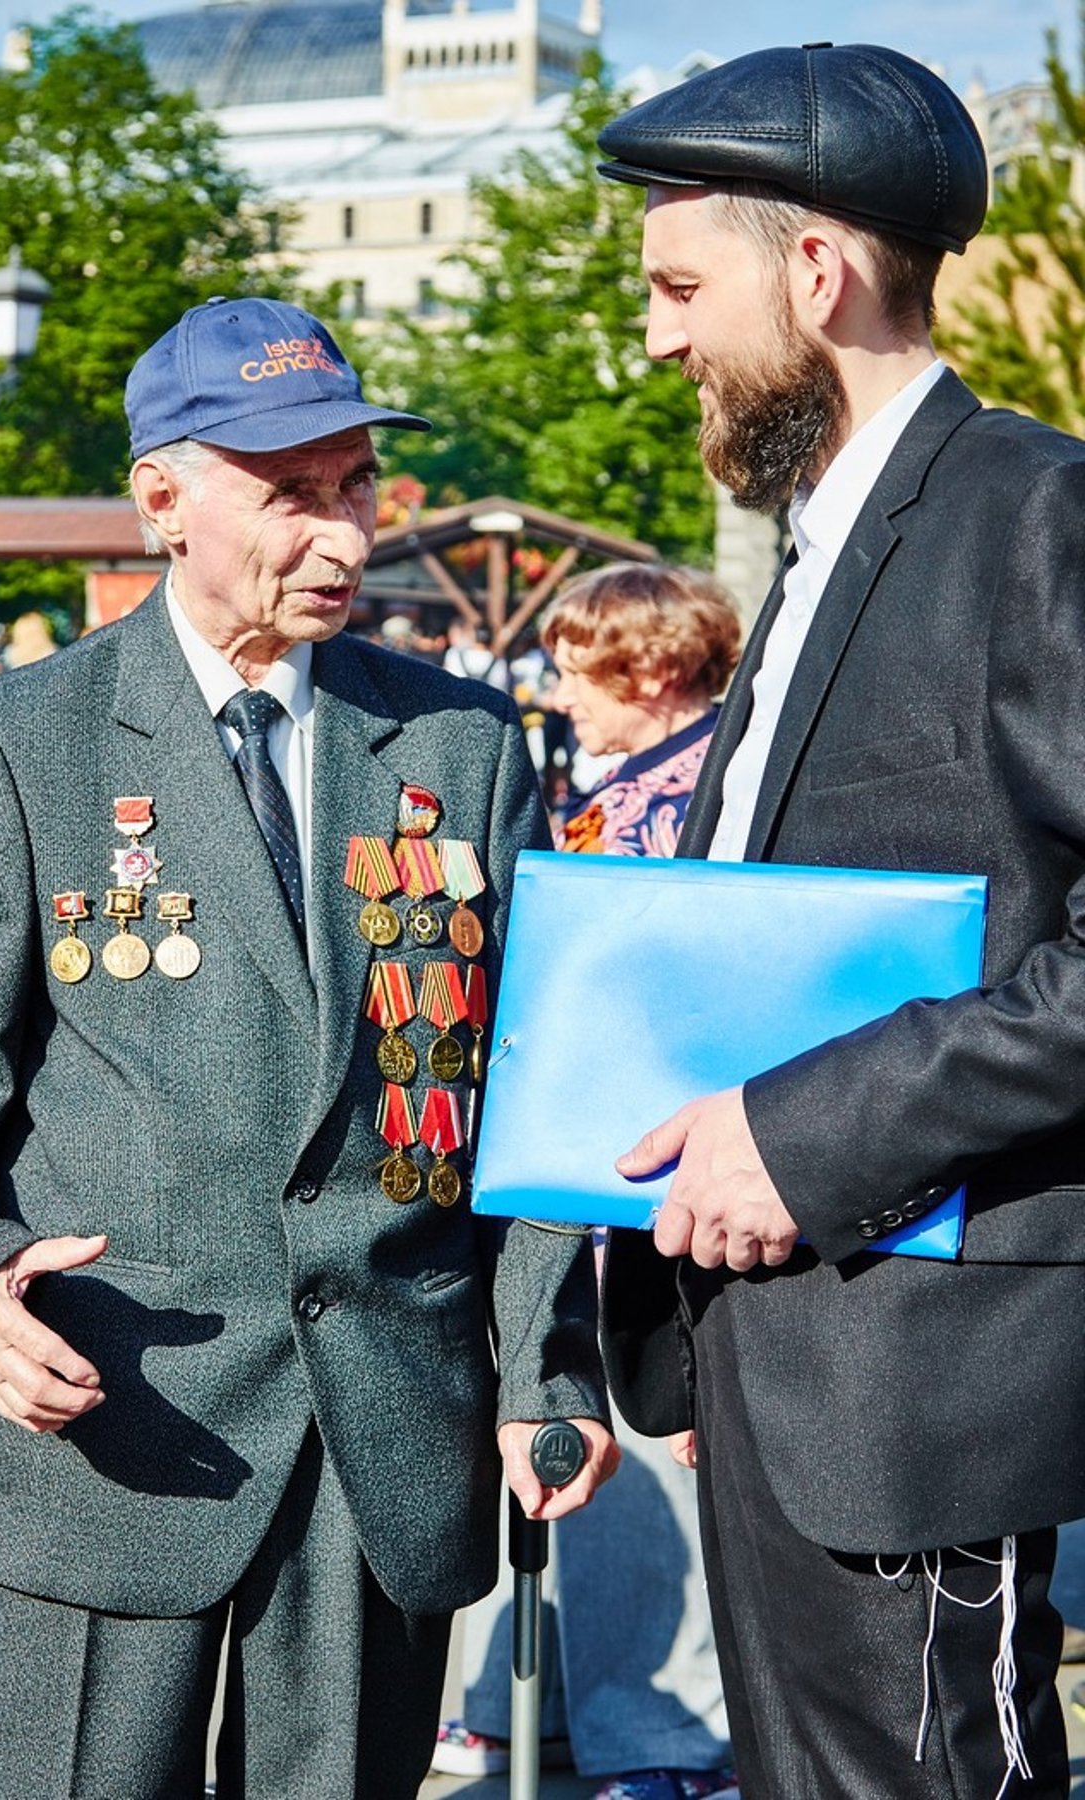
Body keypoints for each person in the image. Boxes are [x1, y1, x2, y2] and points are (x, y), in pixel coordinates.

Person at [0, 294, 617, 1800]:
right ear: (164, 499)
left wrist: (547, 1371)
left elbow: (525, 1091)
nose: (344, 535)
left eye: (358, 486)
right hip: (107, 1430)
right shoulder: (27, 740)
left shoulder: (463, 745)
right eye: (293, 495)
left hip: (382, 1449)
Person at [595, 42, 1085, 1799]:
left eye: (674, 285)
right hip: (768, 1358)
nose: (652, 337)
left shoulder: (1039, 515)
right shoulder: (813, 544)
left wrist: (802, 1134)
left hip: (920, 1394)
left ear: (816, 273)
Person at [434, 562, 741, 1800]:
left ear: (653, 670)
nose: (558, 696)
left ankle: (659, 1741)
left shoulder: (671, 808)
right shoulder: (642, 788)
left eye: (578, 669)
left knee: (633, 1464)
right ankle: (576, 1710)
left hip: (640, 1198)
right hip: (623, 1186)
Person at [442, 617, 510, 693]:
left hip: (457, 701)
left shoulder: (454, 653)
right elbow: (502, 688)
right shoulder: (498, 660)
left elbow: (446, 684)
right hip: (485, 703)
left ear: (472, 635)